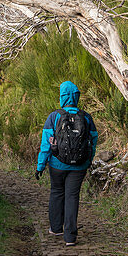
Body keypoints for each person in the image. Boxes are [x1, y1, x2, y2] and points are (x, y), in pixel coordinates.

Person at [35, 80, 97, 246]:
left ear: (62, 97)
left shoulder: (54, 117)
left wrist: (40, 166)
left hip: (57, 164)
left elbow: (45, 145)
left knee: (56, 192)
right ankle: (70, 237)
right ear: (77, 97)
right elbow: (94, 140)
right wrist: (88, 160)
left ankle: (56, 228)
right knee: (72, 196)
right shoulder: (86, 117)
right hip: (79, 167)